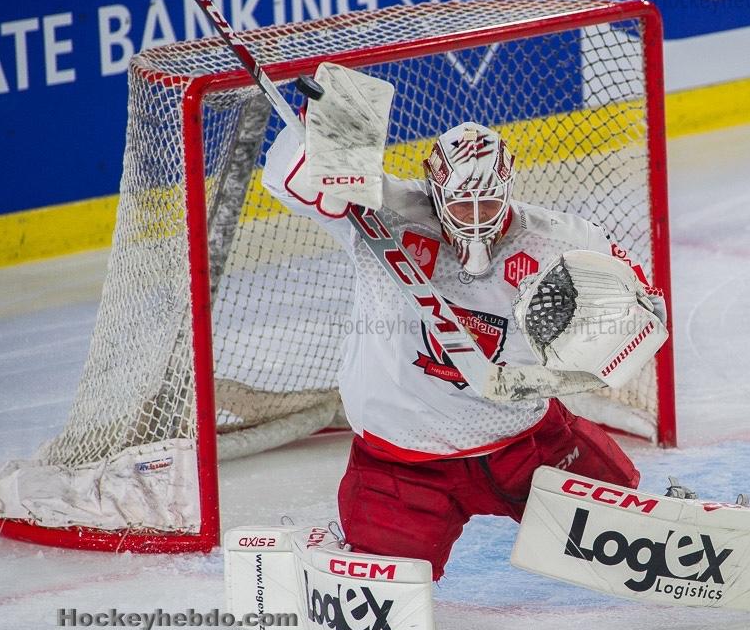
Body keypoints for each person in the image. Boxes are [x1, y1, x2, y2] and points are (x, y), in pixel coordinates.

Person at [261, 118, 668, 581]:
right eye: (461, 202)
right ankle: (325, 550)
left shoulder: (558, 239)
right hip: (404, 460)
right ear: (435, 189)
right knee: (385, 582)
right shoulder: (379, 210)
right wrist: (324, 134)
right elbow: (284, 178)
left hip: (524, 443)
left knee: (627, 532)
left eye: (488, 201)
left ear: (508, 187)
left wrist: (617, 326)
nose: (475, 216)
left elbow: (648, 306)